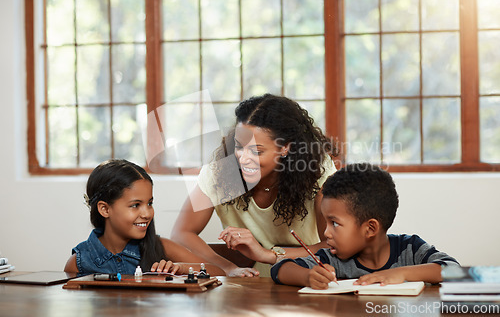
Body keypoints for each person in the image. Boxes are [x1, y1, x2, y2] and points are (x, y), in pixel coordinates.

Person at [171, 94, 337, 277]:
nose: (243, 158)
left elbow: (332, 245)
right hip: (253, 283)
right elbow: (181, 234)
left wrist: (268, 255)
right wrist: (227, 268)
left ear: (285, 148)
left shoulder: (317, 171)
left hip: (309, 276)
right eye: (239, 146)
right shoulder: (220, 172)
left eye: (257, 151)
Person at [270, 163, 460, 289]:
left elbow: (453, 269)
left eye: (334, 223)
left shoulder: (410, 249)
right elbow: (280, 269)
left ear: (370, 228)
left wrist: (400, 273)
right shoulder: (332, 259)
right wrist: (308, 277)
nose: (326, 233)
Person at [64, 159, 225, 276]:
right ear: (105, 209)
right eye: (135, 205)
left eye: (149, 203)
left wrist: (181, 268)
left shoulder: (162, 247)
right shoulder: (77, 263)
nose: (147, 213)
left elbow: (219, 273)